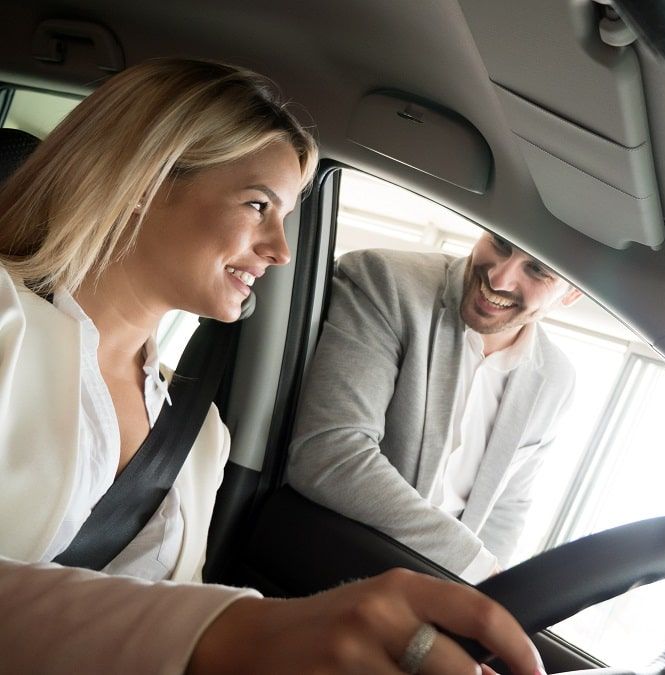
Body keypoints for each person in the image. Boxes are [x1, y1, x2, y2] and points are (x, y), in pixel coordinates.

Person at [0, 58, 543, 675]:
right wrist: (227, 633)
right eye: (258, 205)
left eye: (282, 218)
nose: (281, 250)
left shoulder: (202, 442)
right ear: (146, 180)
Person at [288, 235, 581, 581]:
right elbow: (330, 453)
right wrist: (474, 566)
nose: (499, 278)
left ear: (572, 293)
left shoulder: (556, 380)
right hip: (322, 568)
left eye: (537, 270)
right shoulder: (387, 281)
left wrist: (485, 594)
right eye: (501, 244)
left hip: (431, 593)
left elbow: (506, 508)